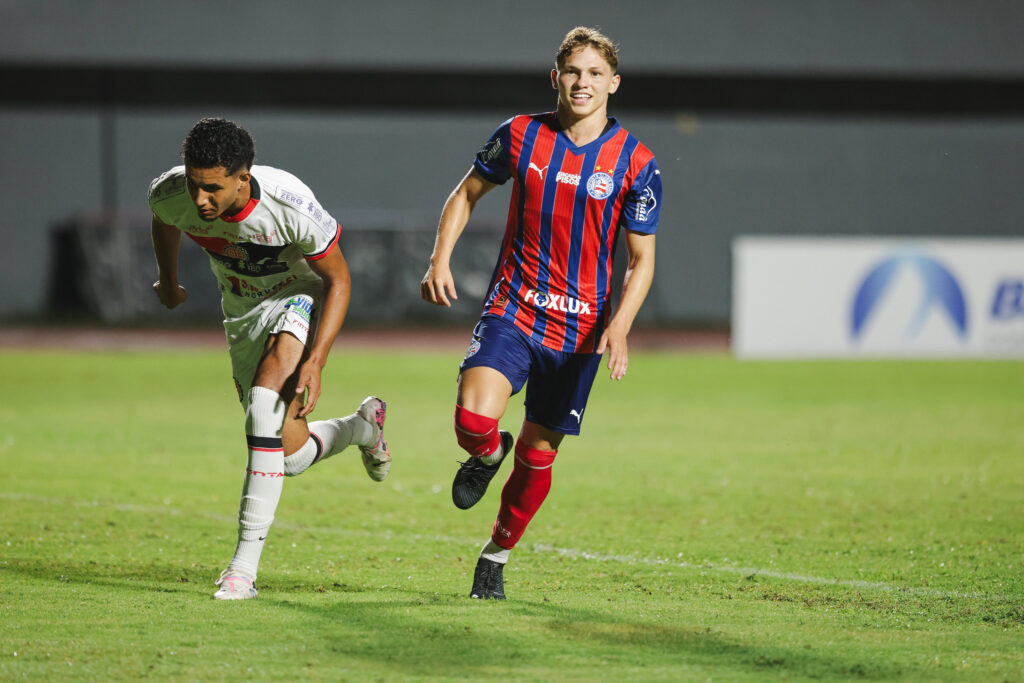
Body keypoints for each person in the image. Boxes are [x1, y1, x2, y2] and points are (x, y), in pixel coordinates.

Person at [420, 27, 661, 599]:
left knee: (538, 453)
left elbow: (642, 259)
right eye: (573, 71)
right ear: (556, 76)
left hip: (580, 332)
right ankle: (488, 453)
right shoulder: (520, 134)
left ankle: (495, 557)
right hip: (515, 307)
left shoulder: (636, 161)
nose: (583, 83)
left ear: (614, 83)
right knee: (472, 423)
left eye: (595, 73)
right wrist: (439, 258)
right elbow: (466, 193)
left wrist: (620, 325)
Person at [149, 117, 392, 600]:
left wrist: (317, 360)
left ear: (243, 177)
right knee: (291, 456)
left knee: (263, 405)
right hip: (243, 310)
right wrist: (169, 280)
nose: (200, 199)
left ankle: (242, 571)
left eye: (213, 188)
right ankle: (363, 428)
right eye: (195, 184)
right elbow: (164, 219)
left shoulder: (288, 205)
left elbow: (339, 279)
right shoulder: (172, 193)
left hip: (300, 294)